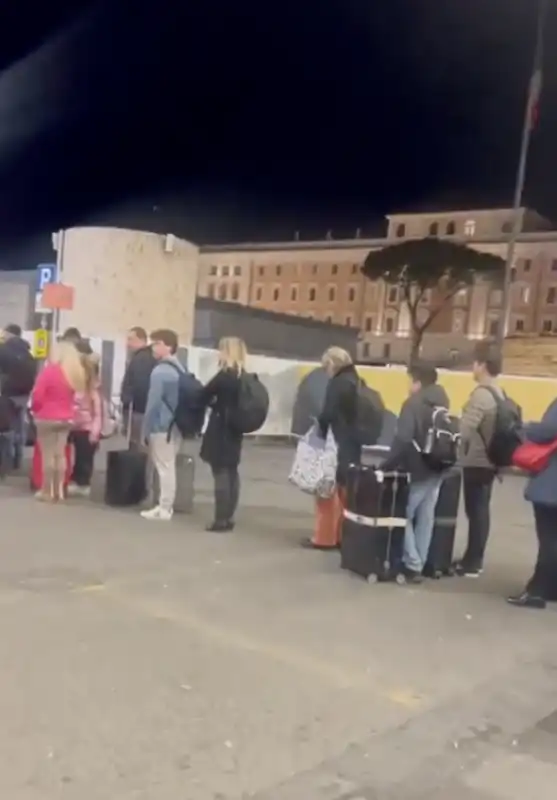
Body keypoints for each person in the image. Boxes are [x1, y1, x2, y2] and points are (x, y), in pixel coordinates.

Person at [381, 362, 450, 583]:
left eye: (410, 381)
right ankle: (419, 560)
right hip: (438, 466)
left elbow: (403, 439)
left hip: (418, 468)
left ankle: (413, 562)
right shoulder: (443, 402)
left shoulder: (412, 404)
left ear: (418, 382)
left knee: (404, 514)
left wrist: (387, 465)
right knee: (426, 516)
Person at [302, 346, 361, 551]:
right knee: (345, 494)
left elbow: (328, 414)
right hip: (352, 446)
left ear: (332, 364)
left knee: (326, 492)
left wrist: (319, 428)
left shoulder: (338, 383)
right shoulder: (357, 381)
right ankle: (341, 537)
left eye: (325, 366)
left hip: (335, 444)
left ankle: (324, 538)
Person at [456, 341, 503, 578]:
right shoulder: (499, 392)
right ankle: (474, 558)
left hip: (477, 460)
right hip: (491, 461)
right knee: (480, 510)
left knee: (475, 511)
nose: (472, 368)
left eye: (474, 363)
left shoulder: (481, 395)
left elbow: (464, 431)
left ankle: (472, 561)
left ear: (482, 365)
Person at [507, 397, 557, 610]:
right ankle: (550, 587)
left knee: (549, 539)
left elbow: (547, 430)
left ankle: (537, 591)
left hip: (552, 485)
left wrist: (523, 427)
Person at [199, 336, 246, 532]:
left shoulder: (224, 376)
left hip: (220, 428)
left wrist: (212, 403)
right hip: (236, 429)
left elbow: (203, 395)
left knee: (220, 473)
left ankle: (220, 519)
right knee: (232, 472)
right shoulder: (243, 376)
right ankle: (229, 517)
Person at [30, 341, 87, 501]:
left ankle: (47, 490)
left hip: (47, 417)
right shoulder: (74, 373)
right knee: (60, 454)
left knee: (47, 455)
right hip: (67, 418)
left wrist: (36, 409)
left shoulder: (50, 371)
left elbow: (38, 394)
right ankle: (60, 490)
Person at [140, 329, 184, 521]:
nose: (152, 347)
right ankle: (165, 505)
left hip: (161, 426)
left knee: (164, 467)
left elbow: (153, 403)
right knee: (169, 465)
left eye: (156, 343)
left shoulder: (160, 371)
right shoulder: (180, 368)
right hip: (177, 425)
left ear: (168, 346)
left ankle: (165, 507)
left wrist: (145, 429)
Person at [0, 324, 37, 469]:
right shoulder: (29, 354)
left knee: (6, 428)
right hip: (24, 394)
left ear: (9, 334)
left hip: (7, 393)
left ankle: (6, 461)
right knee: (19, 426)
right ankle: (18, 460)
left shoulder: (3, 350)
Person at [68, 353, 103, 497]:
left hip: (86, 427)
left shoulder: (93, 389)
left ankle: (82, 483)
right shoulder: (75, 385)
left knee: (84, 456)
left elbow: (98, 413)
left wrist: (95, 431)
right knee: (76, 455)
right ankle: (76, 480)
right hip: (73, 424)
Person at [120, 326, 157, 448]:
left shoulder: (141, 359)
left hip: (137, 410)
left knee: (136, 444)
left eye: (131, 339)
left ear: (141, 339)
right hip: (139, 409)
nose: (128, 343)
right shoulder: (145, 357)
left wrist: (128, 399)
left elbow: (140, 384)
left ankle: (137, 467)